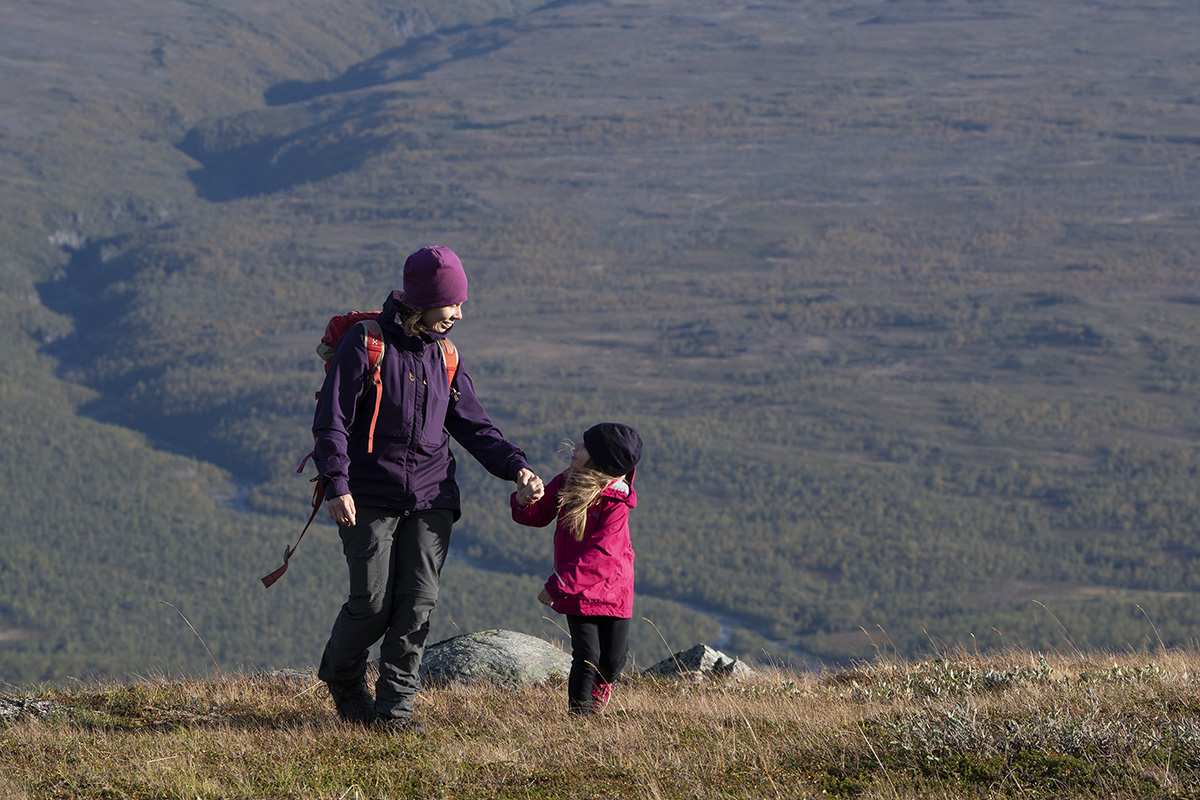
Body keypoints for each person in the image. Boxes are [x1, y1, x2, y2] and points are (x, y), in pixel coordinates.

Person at [312, 244, 542, 731]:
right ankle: (342, 676)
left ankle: (396, 712)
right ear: (421, 300)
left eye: (461, 305)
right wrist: (336, 482)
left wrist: (516, 467)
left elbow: (476, 428)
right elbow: (331, 420)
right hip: (368, 493)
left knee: (416, 604)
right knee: (372, 605)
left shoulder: (447, 357)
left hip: (432, 496)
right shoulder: (366, 343)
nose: (457, 314)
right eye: (450, 304)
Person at [511, 422, 642, 715]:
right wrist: (523, 501)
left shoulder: (616, 503)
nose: (575, 447)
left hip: (613, 591)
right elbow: (539, 514)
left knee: (614, 660)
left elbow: (603, 555)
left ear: (599, 461)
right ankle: (579, 722)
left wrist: (557, 584)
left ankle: (600, 687)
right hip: (577, 592)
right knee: (586, 657)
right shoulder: (567, 481)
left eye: (583, 447)